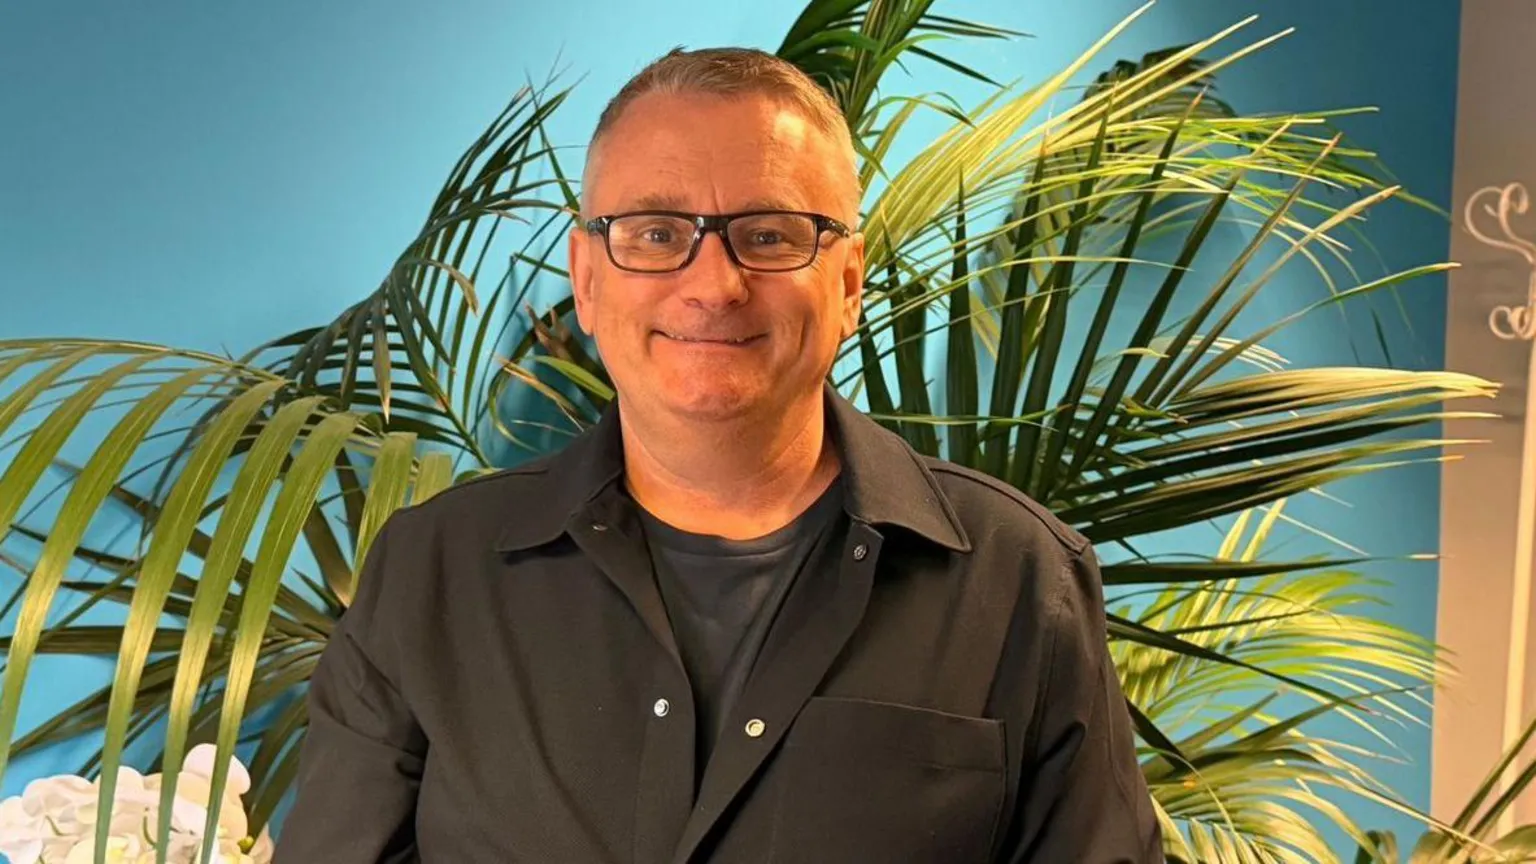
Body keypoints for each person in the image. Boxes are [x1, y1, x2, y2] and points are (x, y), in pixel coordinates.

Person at [275, 46, 1163, 863]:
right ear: (588, 279)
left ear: (848, 281)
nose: (713, 283)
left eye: (771, 233)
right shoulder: (430, 572)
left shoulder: (1018, 580)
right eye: (657, 233)